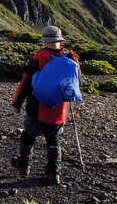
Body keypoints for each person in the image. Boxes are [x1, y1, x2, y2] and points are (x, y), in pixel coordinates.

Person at [12, 25, 80, 185]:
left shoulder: (39, 58)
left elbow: (26, 83)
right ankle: (53, 173)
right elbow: (77, 84)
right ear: (60, 41)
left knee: (28, 136)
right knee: (53, 140)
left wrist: (17, 103)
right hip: (59, 111)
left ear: (45, 41)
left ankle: (23, 166)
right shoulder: (71, 59)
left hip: (37, 108)